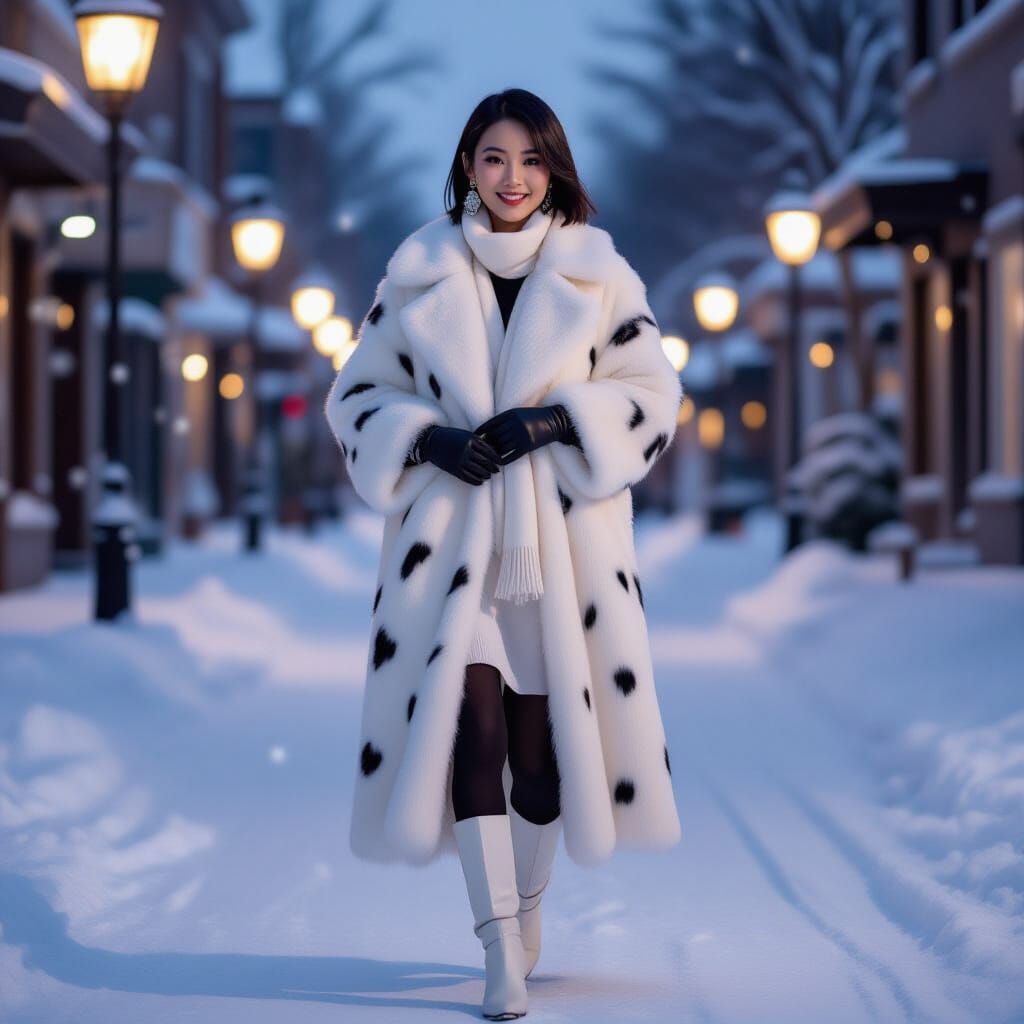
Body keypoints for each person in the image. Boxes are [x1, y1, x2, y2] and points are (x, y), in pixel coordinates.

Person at [324, 88, 683, 1021]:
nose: (512, 178)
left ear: (554, 167)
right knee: (471, 737)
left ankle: (525, 910)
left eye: (529, 159)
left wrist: (560, 417)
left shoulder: (599, 275)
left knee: (545, 757)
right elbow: (353, 396)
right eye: (492, 158)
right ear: (466, 167)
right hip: (452, 555)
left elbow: (653, 397)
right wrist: (426, 438)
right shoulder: (417, 272)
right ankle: (497, 952)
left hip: (562, 556)